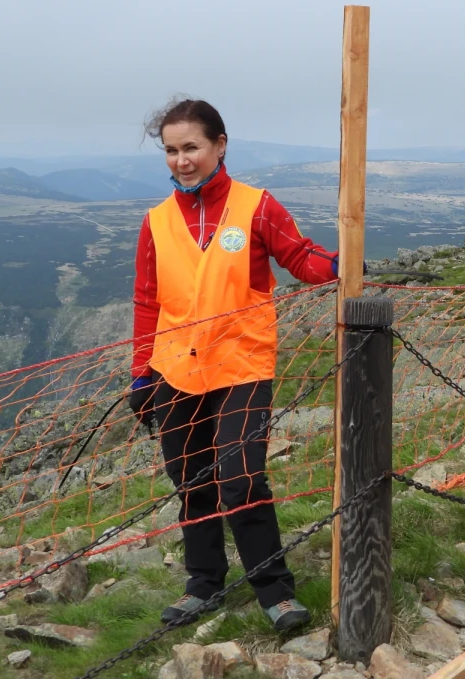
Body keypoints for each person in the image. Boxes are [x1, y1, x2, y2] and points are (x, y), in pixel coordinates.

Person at [126, 96, 343, 632]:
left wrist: (341, 264)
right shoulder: (155, 221)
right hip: (174, 369)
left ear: (219, 146)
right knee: (190, 482)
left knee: (241, 478)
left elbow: (299, 256)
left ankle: (274, 589)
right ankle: (204, 583)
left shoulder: (256, 206)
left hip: (242, 365)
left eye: (192, 147)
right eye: (172, 150)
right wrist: (140, 373)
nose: (182, 160)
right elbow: (147, 301)